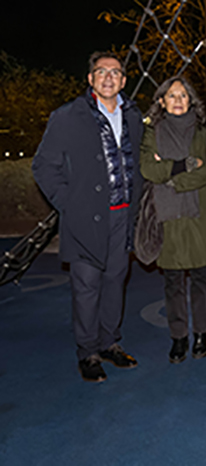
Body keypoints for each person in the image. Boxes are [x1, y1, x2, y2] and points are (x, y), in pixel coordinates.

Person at [32, 52, 143, 382]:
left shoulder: (134, 116)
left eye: (115, 72)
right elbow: (43, 166)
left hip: (123, 215)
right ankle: (88, 352)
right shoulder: (67, 116)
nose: (109, 77)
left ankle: (110, 343)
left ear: (124, 81)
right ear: (91, 79)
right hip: (86, 220)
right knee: (86, 287)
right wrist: (70, 204)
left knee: (114, 282)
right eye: (101, 72)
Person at [140, 77, 206, 363]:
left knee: (201, 278)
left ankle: (201, 333)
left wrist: (173, 180)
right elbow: (149, 169)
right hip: (168, 216)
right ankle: (179, 337)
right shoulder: (151, 131)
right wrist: (184, 164)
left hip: (200, 212)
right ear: (161, 101)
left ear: (191, 101)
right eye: (171, 95)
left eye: (183, 95)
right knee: (172, 280)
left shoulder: (202, 131)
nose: (178, 100)